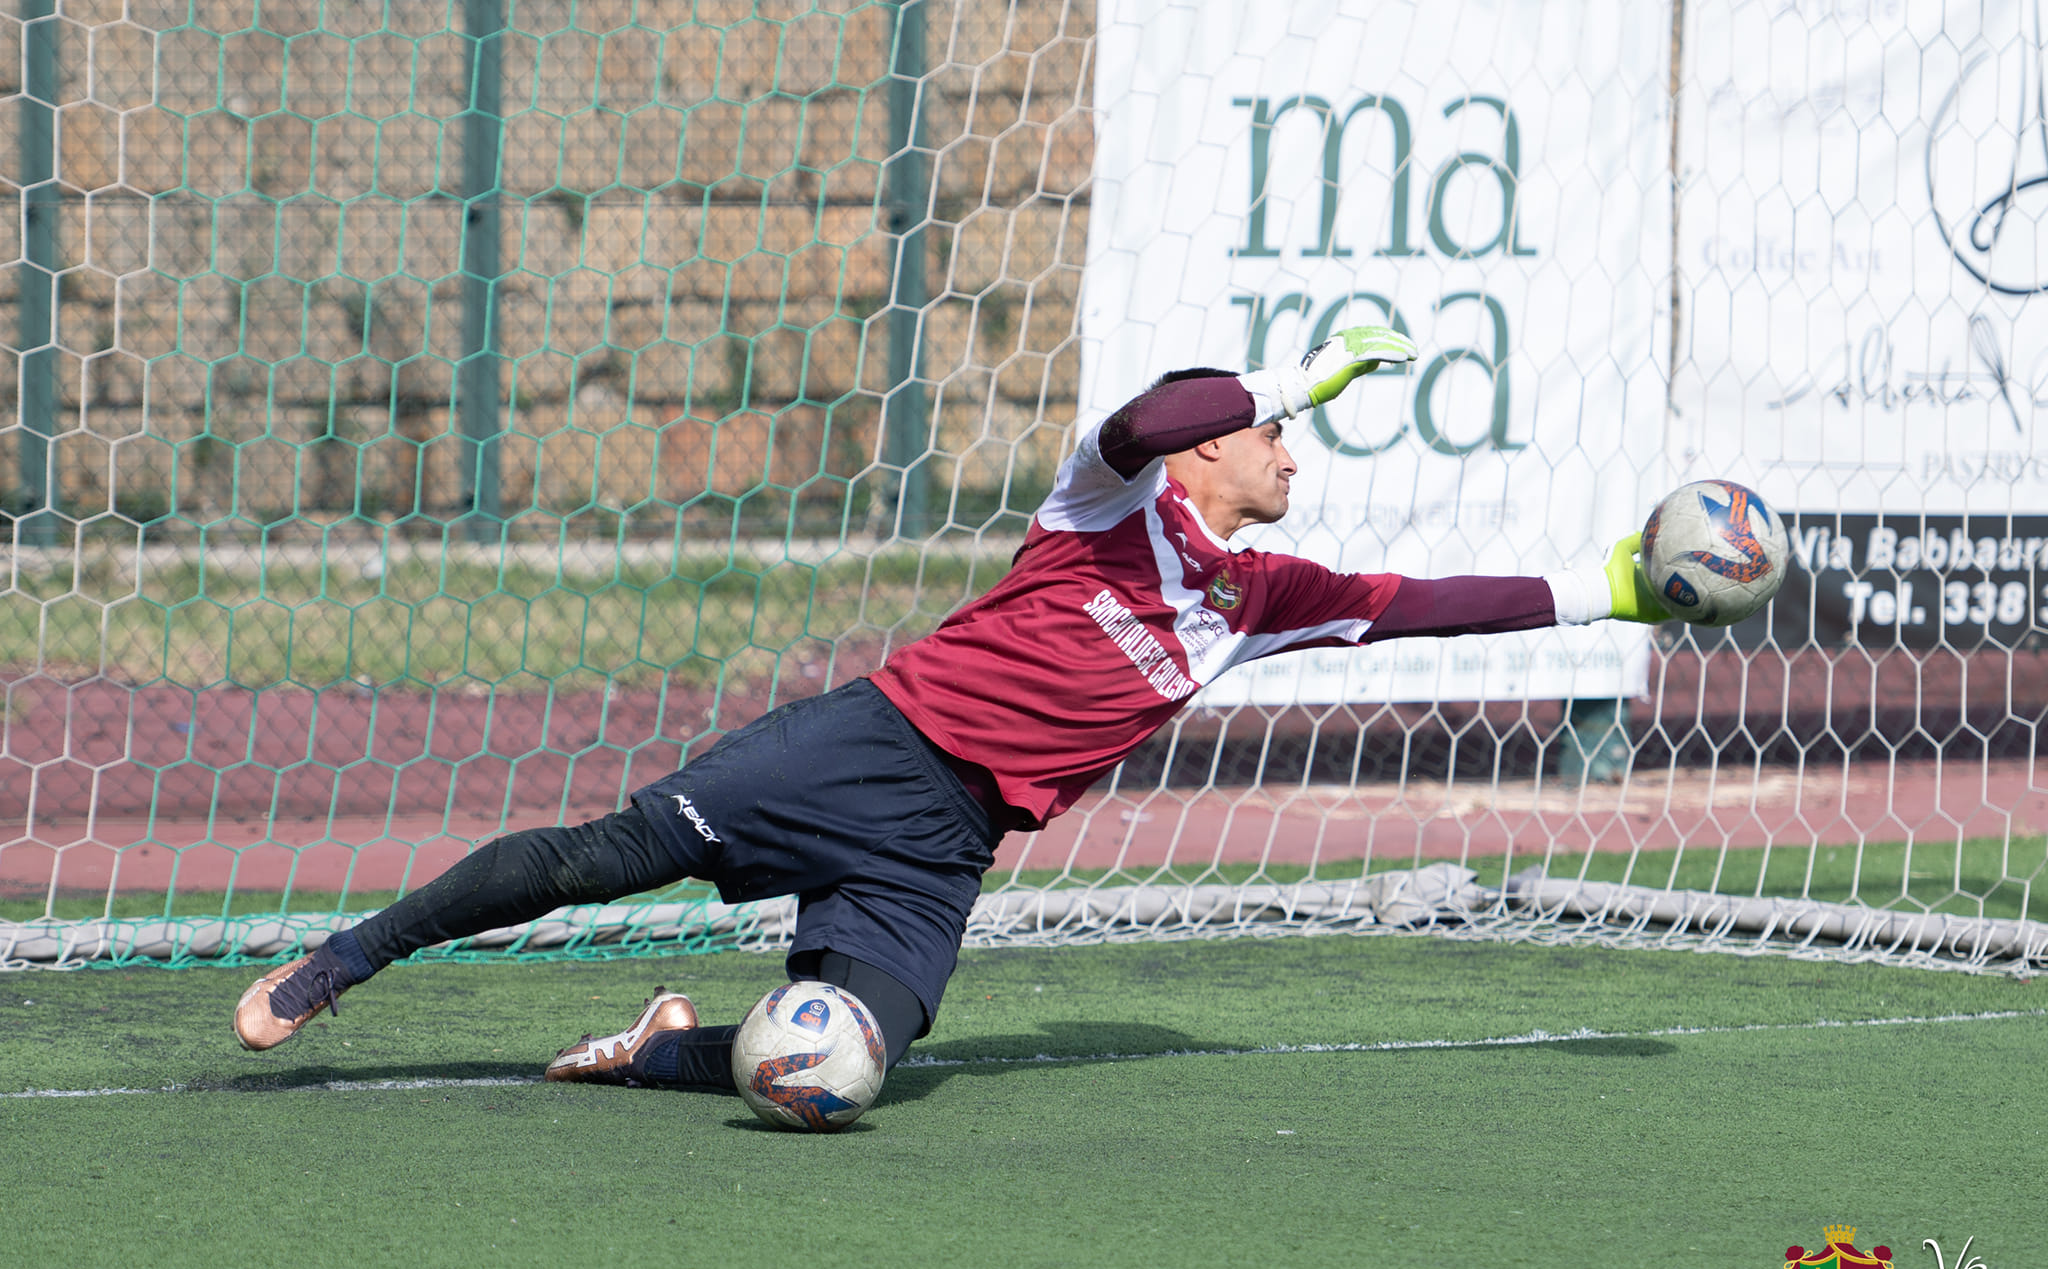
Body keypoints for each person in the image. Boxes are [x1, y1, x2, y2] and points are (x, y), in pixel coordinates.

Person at [231, 324, 1669, 1096]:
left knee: (841, 1069)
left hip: (944, 845)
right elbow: (1135, 425)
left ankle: (656, 1044)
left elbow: (1421, 604)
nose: (1290, 450)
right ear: (1209, 446)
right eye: (1272, 432)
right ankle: (347, 960)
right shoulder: (1100, 506)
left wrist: (1610, 590)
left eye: (1286, 428)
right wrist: (1292, 371)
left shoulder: (1260, 597)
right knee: (603, 858)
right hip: (867, 746)